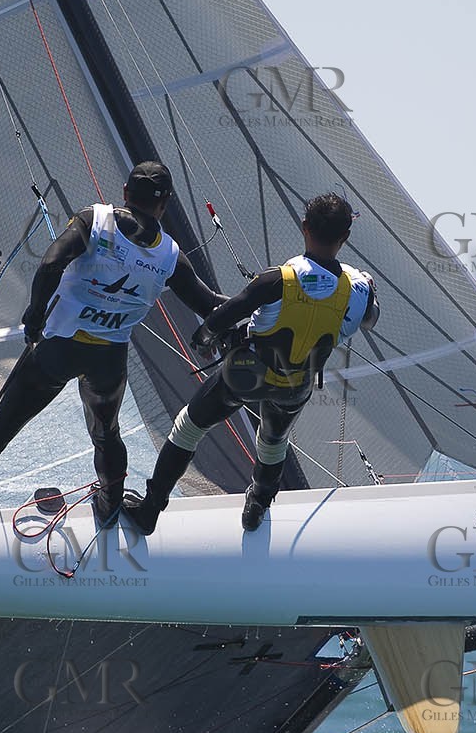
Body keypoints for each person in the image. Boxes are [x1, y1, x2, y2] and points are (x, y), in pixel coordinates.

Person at [0, 161, 223, 537]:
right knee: (107, 434)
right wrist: (259, 304)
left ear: (125, 192)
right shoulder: (170, 256)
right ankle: (109, 509)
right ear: (166, 203)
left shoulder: (97, 219)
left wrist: (34, 314)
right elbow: (209, 305)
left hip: (58, 349)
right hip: (109, 361)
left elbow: (50, 264)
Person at [123, 192, 378, 535]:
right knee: (273, 441)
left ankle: (150, 510)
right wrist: (368, 289)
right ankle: (256, 506)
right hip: (296, 386)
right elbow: (369, 319)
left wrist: (203, 340)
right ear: (344, 238)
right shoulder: (358, 289)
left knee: (190, 426)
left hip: (248, 375)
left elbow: (223, 316)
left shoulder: (277, 279)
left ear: (304, 227)